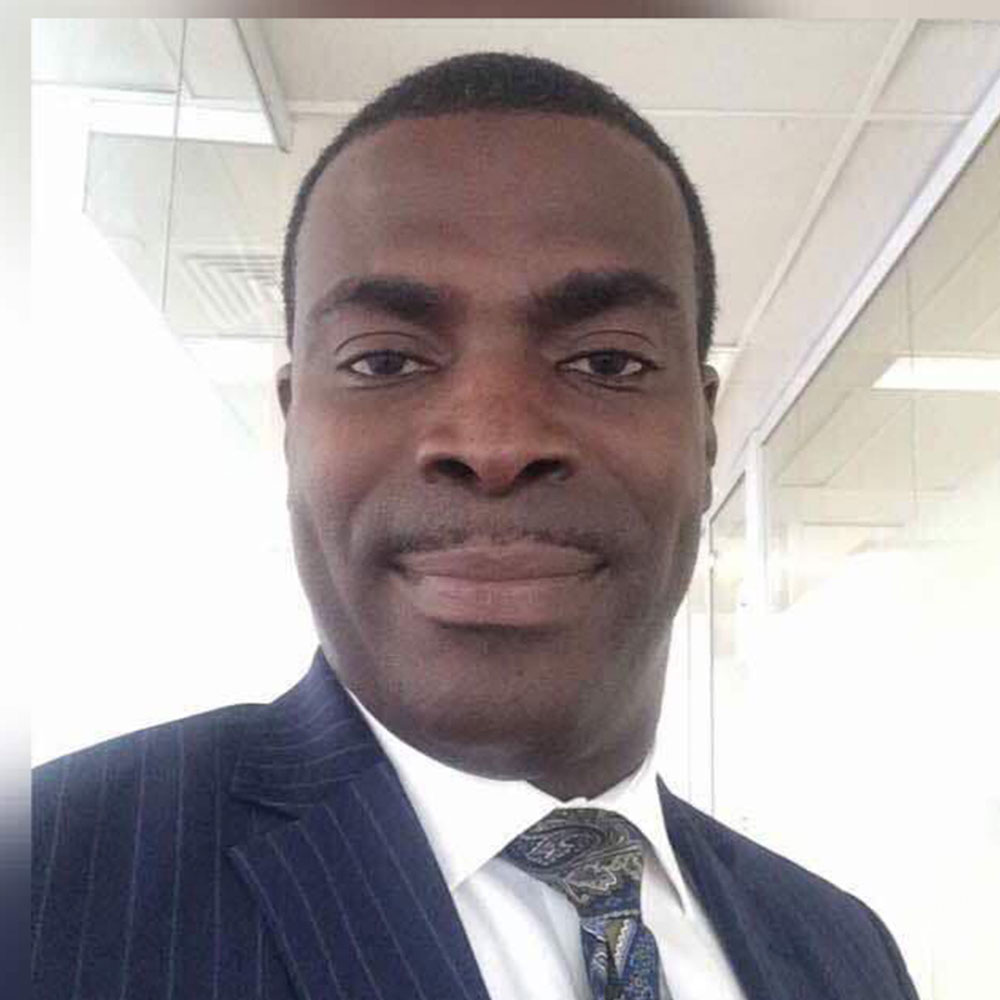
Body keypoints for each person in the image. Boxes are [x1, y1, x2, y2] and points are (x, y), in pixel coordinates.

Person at [32, 53, 919, 1000]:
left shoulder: (844, 951)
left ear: (704, 431)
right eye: (383, 362)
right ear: (292, 427)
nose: (496, 444)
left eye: (608, 363)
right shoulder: (45, 883)